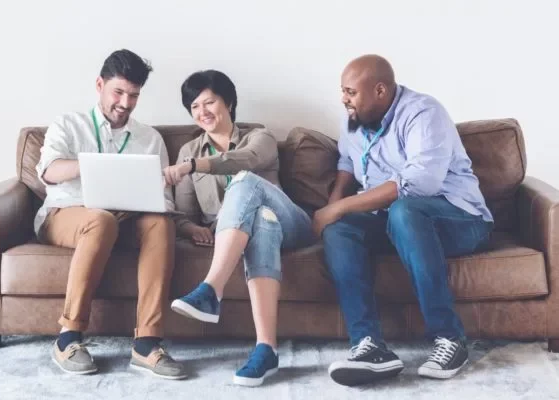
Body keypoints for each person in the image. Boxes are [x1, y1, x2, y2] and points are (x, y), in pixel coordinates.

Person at [313, 54, 493, 386]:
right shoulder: (354, 119)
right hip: (396, 221)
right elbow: (347, 162)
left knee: (404, 209)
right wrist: (335, 206)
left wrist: (340, 207)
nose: (344, 99)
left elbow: (418, 184)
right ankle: (368, 346)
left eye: (350, 92)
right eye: (342, 91)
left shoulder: (423, 113)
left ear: (380, 90)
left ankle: (450, 339)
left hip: (461, 219)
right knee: (341, 229)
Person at [35, 49, 187, 379]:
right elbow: (48, 171)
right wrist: (92, 167)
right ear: (99, 84)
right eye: (118, 92)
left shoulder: (150, 138)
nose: (125, 102)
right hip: (68, 212)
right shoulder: (69, 124)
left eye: (133, 95)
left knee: (160, 224)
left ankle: (147, 343)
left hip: (127, 218)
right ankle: (68, 337)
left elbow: (164, 198)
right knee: (99, 219)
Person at [163, 69, 315, 387]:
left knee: (246, 182)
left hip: (293, 224)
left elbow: (243, 160)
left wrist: (192, 167)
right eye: (194, 107)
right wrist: (192, 229)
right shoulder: (188, 151)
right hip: (260, 229)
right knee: (261, 223)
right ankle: (265, 349)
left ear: (229, 102)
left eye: (209, 102)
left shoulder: (259, 136)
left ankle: (210, 289)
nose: (202, 112)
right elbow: (184, 214)